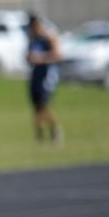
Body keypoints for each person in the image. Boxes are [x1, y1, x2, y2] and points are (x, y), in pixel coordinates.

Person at [26, 13, 64, 145]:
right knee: (36, 106)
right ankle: (40, 134)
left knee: (44, 105)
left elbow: (58, 56)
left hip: (47, 76)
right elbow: (29, 58)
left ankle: (54, 129)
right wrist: (30, 59)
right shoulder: (32, 39)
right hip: (35, 76)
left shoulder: (48, 38)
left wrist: (42, 58)